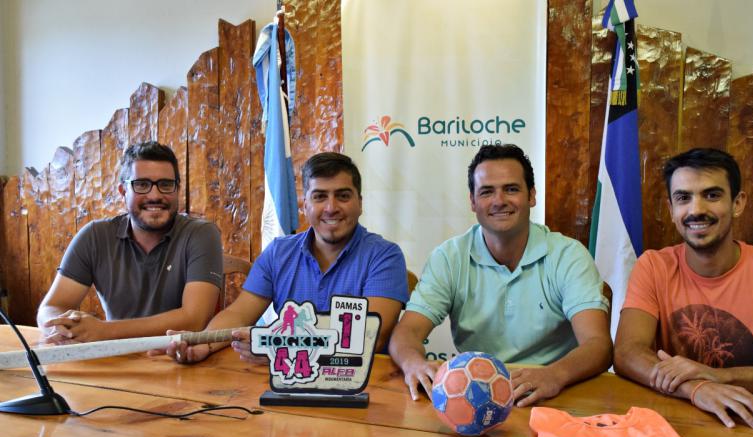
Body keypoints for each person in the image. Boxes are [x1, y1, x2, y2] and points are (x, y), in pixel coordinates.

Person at [388, 144, 612, 407]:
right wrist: (413, 363)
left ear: (532, 196)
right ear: (473, 202)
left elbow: (598, 345)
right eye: (487, 192)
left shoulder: (568, 255)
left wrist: (555, 375)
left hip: (557, 392)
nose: (499, 201)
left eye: (511, 189)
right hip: (477, 396)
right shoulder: (449, 258)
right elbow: (407, 331)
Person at [614, 148, 753, 429]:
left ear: (738, 203)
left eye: (711, 195)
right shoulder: (653, 266)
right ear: (671, 210)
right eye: (683, 198)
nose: (696, 210)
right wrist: (696, 388)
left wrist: (720, 376)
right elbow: (626, 353)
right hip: (676, 421)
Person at [165, 152, 408, 364]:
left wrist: (280, 349)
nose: (331, 207)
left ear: (360, 203)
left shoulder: (385, 256)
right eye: (320, 196)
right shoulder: (278, 253)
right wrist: (204, 344)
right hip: (285, 381)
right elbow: (238, 315)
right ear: (305, 205)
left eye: (343, 196)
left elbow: (370, 337)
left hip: (359, 384)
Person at [37, 141, 223, 343]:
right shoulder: (95, 236)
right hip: (116, 356)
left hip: (181, 355)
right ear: (123, 191)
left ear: (177, 189)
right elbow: (51, 307)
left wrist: (104, 331)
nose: (155, 195)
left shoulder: (201, 234)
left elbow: (194, 319)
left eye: (165, 184)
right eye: (141, 185)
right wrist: (61, 327)